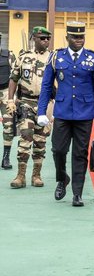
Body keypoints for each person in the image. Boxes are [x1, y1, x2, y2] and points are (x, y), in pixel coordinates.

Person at [37, 21, 94, 207]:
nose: (79, 40)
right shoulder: (56, 57)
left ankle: (78, 193)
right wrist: (41, 111)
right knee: (58, 150)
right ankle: (62, 178)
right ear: (67, 37)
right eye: (75, 37)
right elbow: (46, 86)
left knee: (80, 153)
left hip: (84, 114)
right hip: (62, 112)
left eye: (81, 37)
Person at [7, 27, 53, 188]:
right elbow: (14, 78)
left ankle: (36, 175)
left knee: (40, 140)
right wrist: (11, 100)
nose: (46, 41)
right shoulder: (23, 58)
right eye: (42, 38)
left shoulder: (53, 59)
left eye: (48, 38)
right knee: (25, 136)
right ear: (34, 38)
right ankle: (20, 176)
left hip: (46, 104)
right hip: (26, 102)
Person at [0, 34, 18, 170]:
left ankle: (5, 158)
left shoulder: (9, 56)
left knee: (8, 126)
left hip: (6, 93)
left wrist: (14, 98)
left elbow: (16, 76)